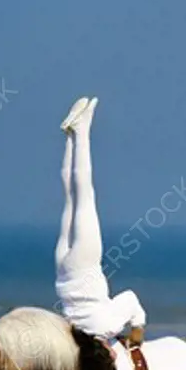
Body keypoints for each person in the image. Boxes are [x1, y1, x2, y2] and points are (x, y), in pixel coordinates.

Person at [54, 96, 146, 347]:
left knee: (85, 196)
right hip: (63, 276)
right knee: (71, 199)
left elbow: (130, 300)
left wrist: (137, 330)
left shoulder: (111, 325)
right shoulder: (79, 336)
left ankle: (81, 131)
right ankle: (71, 138)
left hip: (82, 266)